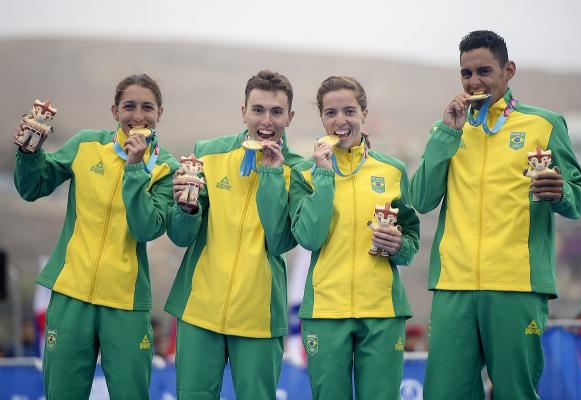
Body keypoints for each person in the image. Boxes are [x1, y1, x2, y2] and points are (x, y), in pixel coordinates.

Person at [409, 30, 581, 399]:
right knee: (443, 393)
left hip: (517, 284)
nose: (474, 82)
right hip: (454, 286)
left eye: (484, 71)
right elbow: (421, 198)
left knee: (514, 392)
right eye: (466, 73)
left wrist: (562, 192)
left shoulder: (544, 124)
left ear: (508, 70)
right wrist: (446, 133)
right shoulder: (448, 129)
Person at [13, 73, 178, 399]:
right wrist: (29, 153)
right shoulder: (87, 144)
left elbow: (147, 228)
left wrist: (134, 168)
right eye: (129, 106)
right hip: (71, 295)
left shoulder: (166, 168)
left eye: (147, 107)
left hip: (126, 302)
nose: (138, 115)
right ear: (115, 111)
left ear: (160, 113)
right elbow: (32, 187)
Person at [165, 70, 302, 399]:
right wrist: (184, 209)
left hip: (259, 317)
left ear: (290, 117)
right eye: (258, 109)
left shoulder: (298, 169)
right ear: (243, 111)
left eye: (276, 111)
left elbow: (281, 240)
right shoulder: (208, 154)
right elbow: (181, 235)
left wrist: (270, 172)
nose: (266, 120)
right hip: (199, 310)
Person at [289, 76, 420, 400]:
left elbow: (410, 237)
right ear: (322, 118)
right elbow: (309, 237)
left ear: (363, 112)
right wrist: (323, 174)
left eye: (349, 110)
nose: (340, 120)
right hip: (325, 313)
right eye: (330, 112)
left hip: (382, 312)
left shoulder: (392, 170)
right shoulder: (305, 173)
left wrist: (399, 245)